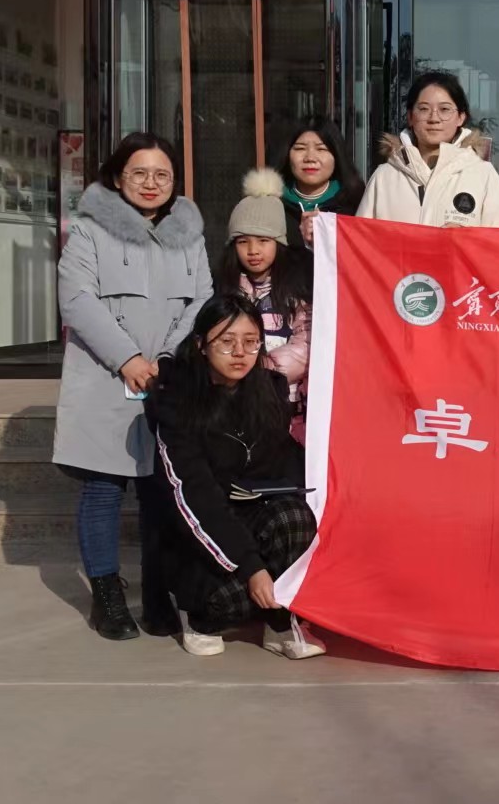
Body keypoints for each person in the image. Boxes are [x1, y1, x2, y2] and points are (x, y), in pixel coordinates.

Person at [54, 132, 212, 641]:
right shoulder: (90, 229)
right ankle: (107, 596)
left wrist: (165, 358)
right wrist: (127, 358)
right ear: (118, 177)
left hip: (166, 379)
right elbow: (77, 299)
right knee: (103, 488)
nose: (151, 183)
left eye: (162, 174)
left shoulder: (189, 234)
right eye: (139, 173)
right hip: (106, 376)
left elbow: (202, 301)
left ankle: (158, 593)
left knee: (160, 490)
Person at [147, 294, 326, 660]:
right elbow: (193, 496)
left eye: (250, 341)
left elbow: (282, 468)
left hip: (252, 520)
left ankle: (278, 624)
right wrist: (252, 567)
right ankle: (198, 618)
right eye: (226, 342)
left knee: (294, 516)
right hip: (198, 535)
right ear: (201, 345)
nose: (240, 353)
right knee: (222, 604)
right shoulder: (176, 401)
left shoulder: (269, 391)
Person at [218, 168, 313, 443]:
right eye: (243, 241)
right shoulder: (226, 287)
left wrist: (265, 365)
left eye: (263, 241)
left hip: (286, 400)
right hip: (236, 398)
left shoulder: (296, 287)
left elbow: (307, 341)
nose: (253, 250)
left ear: (279, 243)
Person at [357, 70, 499, 229]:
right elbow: (360, 240)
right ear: (410, 117)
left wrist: (467, 238)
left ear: (461, 117)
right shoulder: (384, 177)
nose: (434, 118)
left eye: (444, 109)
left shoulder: (483, 175)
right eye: (424, 109)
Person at [273, 118, 363, 249]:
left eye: (321, 149)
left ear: (336, 155)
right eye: (300, 148)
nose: (310, 158)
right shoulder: (271, 204)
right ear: (287, 154)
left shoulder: (356, 204)